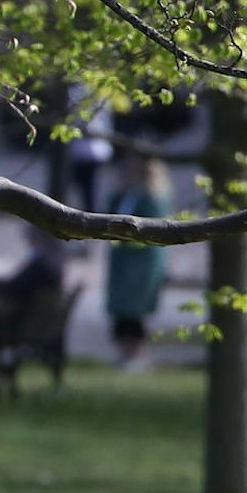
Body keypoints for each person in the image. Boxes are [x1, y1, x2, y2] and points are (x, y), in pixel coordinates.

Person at [102, 152, 172, 371]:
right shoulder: (126, 194)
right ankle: (126, 354)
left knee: (134, 313)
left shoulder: (153, 196)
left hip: (140, 264)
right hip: (123, 263)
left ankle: (137, 354)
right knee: (123, 314)